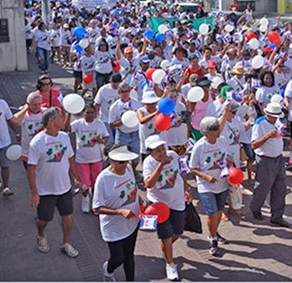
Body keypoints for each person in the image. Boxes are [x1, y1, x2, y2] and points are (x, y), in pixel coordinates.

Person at [27, 107, 83, 257]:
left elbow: (70, 158)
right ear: (51, 121)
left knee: (68, 217)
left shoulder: (64, 137)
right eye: (60, 117)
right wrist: (34, 193)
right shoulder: (37, 142)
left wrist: (76, 177)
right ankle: (41, 235)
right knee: (43, 220)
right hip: (45, 191)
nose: (63, 119)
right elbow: (31, 168)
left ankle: (65, 243)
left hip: (64, 188)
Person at [142, 135, 192, 280]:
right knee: (167, 236)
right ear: (150, 152)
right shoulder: (148, 163)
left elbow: (180, 173)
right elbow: (148, 184)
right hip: (159, 205)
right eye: (157, 151)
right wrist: (161, 165)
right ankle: (170, 265)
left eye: (162, 148)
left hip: (177, 202)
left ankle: (165, 244)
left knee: (178, 230)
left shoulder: (173, 155)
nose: (162, 152)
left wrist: (187, 188)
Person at [92, 145, 141, 281]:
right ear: (111, 160)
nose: (125, 164)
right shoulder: (103, 179)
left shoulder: (129, 169)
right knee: (118, 258)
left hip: (132, 223)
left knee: (129, 256)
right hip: (113, 227)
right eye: (121, 162)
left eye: (127, 161)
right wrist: (119, 211)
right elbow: (96, 208)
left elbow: (133, 190)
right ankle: (108, 271)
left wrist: (141, 203)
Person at [189, 115, 236, 256]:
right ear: (207, 132)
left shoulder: (222, 141)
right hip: (206, 186)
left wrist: (229, 164)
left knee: (220, 211)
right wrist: (205, 176)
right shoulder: (199, 146)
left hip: (222, 184)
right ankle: (213, 239)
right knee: (212, 213)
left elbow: (227, 157)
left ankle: (214, 232)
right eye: (215, 129)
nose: (218, 131)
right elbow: (192, 168)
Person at [249, 103, 290, 228]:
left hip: (278, 158)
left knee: (280, 188)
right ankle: (255, 208)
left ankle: (277, 216)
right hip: (265, 159)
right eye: (273, 116)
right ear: (267, 114)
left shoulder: (277, 122)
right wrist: (267, 136)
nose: (275, 118)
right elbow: (254, 145)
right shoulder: (259, 124)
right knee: (263, 187)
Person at [65, 103, 109, 213]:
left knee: (96, 182)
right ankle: (85, 199)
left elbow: (106, 136)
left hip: (96, 159)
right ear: (82, 113)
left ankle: (96, 202)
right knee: (84, 183)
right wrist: (68, 114)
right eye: (87, 112)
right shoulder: (78, 123)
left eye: (92, 112)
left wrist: (101, 141)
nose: (90, 115)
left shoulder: (99, 124)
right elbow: (67, 129)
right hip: (82, 159)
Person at [109, 83, 143, 170]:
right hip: (122, 134)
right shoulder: (115, 107)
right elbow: (111, 125)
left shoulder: (136, 103)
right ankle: (122, 171)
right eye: (122, 91)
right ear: (119, 93)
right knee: (120, 157)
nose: (125, 93)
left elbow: (141, 117)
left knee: (136, 157)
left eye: (127, 91)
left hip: (135, 133)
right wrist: (123, 120)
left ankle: (132, 171)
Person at [14, 92, 45, 170]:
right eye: (34, 104)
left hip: (43, 152)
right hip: (28, 152)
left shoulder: (45, 112)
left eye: (39, 104)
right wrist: (25, 109)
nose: (37, 107)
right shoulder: (25, 114)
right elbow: (15, 121)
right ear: (28, 104)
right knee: (32, 178)